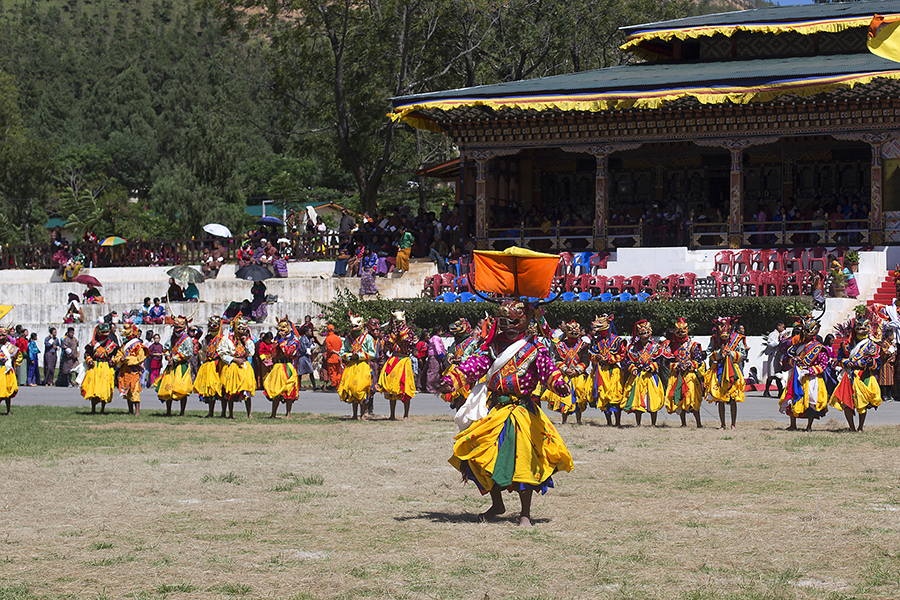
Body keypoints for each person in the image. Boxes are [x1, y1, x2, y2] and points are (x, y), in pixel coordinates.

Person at [438, 300, 574, 527]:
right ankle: (497, 504)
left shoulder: (534, 348)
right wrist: (451, 380)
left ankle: (525, 514)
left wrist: (558, 384)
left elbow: (547, 370)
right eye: (502, 321)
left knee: (524, 460)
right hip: (496, 409)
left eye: (511, 321)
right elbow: (474, 365)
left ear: (523, 321)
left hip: (522, 411)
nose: (506, 325)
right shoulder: (492, 346)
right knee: (479, 453)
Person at [830, 307, 882, 432]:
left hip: (863, 375)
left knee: (862, 401)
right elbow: (840, 358)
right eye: (858, 328)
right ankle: (851, 427)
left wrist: (870, 362)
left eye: (863, 328)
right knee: (847, 402)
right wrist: (846, 363)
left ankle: (860, 427)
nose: (861, 331)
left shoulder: (871, 345)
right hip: (848, 376)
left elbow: (877, 363)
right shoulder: (846, 345)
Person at [779, 315, 829, 431]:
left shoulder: (819, 348)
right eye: (804, 329)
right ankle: (793, 424)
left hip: (811, 378)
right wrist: (794, 361)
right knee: (792, 397)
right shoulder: (797, 346)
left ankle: (809, 426)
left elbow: (823, 364)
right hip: (797, 375)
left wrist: (809, 370)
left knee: (811, 400)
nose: (806, 332)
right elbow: (788, 359)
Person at [542, 320, 591, 425]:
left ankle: (578, 420)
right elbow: (556, 360)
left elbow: (586, 360)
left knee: (579, 398)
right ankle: (564, 420)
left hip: (578, 376)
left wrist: (577, 370)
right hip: (565, 375)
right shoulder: (560, 345)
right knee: (564, 397)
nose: (573, 337)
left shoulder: (583, 346)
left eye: (575, 334)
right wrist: (565, 369)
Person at [662, 318, 705, 428]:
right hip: (677, 375)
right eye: (678, 332)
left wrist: (690, 365)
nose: (680, 334)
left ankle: (698, 423)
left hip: (690, 376)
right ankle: (683, 423)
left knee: (692, 398)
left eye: (682, 331)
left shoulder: (694, 345)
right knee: (680, 398)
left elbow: (699, 361)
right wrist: (678, 366)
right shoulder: (671, 346)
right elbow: (667, 362)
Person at [621, 320, 665, 427]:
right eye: (641, 333)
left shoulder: (656, 347)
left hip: (651, 376)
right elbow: (628, 361)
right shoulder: (633, 347)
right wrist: (633, 369)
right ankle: (638, 423)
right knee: (637, 399)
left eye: (646, 333)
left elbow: (660, 361)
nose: (644, 336)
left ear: (650, 332)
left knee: (652, 399)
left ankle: (653, 423)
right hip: (638, 376)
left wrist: (652, 367)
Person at [705, 316, 746, 430]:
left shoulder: (737, 338)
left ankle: (733, 424)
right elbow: (709, 353)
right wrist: (720, 353)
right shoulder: (714, 339)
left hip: (733, 369)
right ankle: (722, 424)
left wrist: (731, 353)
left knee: (733, 398)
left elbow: (742, 354)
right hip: (719, 368)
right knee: (720, 398)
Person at [587, 314, 627, 427]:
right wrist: (597, 358)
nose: (596, 327)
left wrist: (609, 359)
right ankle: (609, 422)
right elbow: (591, 356)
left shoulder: (617, 340)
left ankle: (618, 422)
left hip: (613, 371)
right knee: (603, 395)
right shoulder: (595, 342)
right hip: (600, 371)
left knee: (615, 395)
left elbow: (622, 355)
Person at [378, 310, 417, 421]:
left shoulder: (409, 332)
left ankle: (405, 415)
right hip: (394, 359)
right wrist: (394, 333)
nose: (398, 324)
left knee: (405, 388)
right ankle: (392, 414)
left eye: (400, 321)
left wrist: (401, 332)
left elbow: (407, 343)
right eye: (396, 322)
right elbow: (388, 345)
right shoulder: (392, 333)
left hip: (404, 360)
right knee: (392, 388)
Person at [155, 313, 195, 417]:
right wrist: (168, 357)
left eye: (179, 327)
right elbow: (166, 347)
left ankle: (182, 412)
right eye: (175, 327)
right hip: (171, 365)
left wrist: (175, 358)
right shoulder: (171, 338)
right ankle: (168, 411)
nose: (176, 329)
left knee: (181, 389)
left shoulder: (187, 339)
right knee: (168, 388)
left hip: (181, 366)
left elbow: (188, 353)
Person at [338, 313, 375, 420]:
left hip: (362, 366)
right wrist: (350, 356)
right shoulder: (348, 338)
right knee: (352, 389)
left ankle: (362, 414)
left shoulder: (367, 338)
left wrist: (359, 356)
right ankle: (354, 414)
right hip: (351, 366)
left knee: (361, 389)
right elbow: (342, 352)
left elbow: (372, 353)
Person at [218, 316, 256, 419]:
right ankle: (229, 413)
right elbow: (222, 354)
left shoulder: (247, 341)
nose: (242, 331)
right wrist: (234, 360)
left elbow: (251, 353)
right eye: (240, 328)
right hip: (232, 366)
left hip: (244, 366)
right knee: (230, 390)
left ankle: (249, 413)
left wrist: (246, 342)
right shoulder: (227, 340)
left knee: (246, 390)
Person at [440, 319, 480, 410]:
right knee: (457, 396)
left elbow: (476, 356)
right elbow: (450, 351)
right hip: (456, 370)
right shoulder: (456, 342)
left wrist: (463, 359)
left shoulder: (473, 342)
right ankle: (459, 413)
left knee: (467, 395)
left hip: (467, 370)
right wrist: (450, 356)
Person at [265, 316, 301, 419]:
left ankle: (288, 414)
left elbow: (289, 353)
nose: (281, 331)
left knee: (288, 390)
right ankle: (273, 413)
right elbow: (273, 353)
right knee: (276, 389)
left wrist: (281, 341)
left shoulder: (294, 341)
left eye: (283, 328)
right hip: (278, 367)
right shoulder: (277, 340)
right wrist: (277, 341)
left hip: (287, 366)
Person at [81, 323, 118, 414]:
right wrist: (89, 360)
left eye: (107, 331)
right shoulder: (93, 344)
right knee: (94, 388)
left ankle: (102, 409)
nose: (105, 333)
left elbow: (115, 355)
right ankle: (93, 409)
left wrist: (113, 360)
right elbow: (87, 354)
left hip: (106, 367)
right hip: (95, 367)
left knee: (104, 388)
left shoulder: (111, 344)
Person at [114, 323, 148, 416]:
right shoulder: (124, 345)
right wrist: (121, 359)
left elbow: (140, 358)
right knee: (127, 391)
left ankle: (137, 411)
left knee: (134, 390)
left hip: (133, 371)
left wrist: (128, 359)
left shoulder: (138, 345)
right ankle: (130, 410)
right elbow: (118, 355)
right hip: (124, 371)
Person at [194, 316, 225, 418]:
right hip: (209, 365)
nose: (212, 327)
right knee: (210, 390)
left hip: (219, 364)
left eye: (214, 325)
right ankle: (211, 412)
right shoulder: (206, 339)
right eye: (210, 325)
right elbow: (203, 351)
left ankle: (224, 413)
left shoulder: (223, 338)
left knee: (222, 389)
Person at [0, 326, 22, 415]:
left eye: (2, 335)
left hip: (7, 370)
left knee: (8, 391)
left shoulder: (10, 347)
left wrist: (14, 366)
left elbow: (18, 356)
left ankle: (8, 410)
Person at [763, 321, 786, 397]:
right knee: (771, 375)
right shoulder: (773, 334)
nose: (783, 328)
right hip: (773, 357)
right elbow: (770, 344)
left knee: (778, 374)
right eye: (782, 327)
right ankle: (766, 391)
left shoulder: (782, 334)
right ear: (778, 327)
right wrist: (778, 340)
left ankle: (780, 392)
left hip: (778, 357)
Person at [366, 318, 383, 417]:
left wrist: (381, 367)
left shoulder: (378, 341)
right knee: (366, 387)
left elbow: (381, 355)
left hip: (375, 366)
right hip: (367, 365)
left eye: (378, 325)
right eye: (374, 325)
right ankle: (364, 410)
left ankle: (370, 410)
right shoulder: (365, 339)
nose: (377, 327)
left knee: (373, 389)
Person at [297, 325, 319, 390]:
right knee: (300, 372)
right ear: (306, 332)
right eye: (310, 331)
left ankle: (314, 385)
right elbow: (303, 348)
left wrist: (312, 343)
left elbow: (310, 346)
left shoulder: (309, 339)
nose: (311, 332)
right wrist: (307, 350)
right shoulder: (302, 339)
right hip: (302, 357)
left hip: (307, 357)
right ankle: (299, 386)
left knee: (311, 370)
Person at [426, 325, 446, 393]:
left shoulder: (436, 337)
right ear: (437, 331)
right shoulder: (435, 337)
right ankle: (430, 387)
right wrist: (441, 355)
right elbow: (437, 346)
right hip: (434, 355)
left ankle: (435, 387)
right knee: (433, 372)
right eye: (440, 331)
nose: (441, 332)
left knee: (437, 371)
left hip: (435, 355)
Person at [323, 324, 343, 391]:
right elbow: (341, 347)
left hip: (331, 358)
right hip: (338, 358)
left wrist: (335, 352)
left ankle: (334, 385)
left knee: (332, 372)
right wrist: (338, 352)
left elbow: (329, 349)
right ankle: (338, 384)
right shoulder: (338, 338)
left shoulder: (328, 338)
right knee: (338, 372)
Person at [879, 329, 896, 402]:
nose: (893, 337)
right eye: (892, 336)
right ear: (889, 336)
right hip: (885, 364)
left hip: (890, 365)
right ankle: (885, 395)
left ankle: (889, 395)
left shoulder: (890, 343)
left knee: (890, 381)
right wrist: (892, 348)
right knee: (885, 380)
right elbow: (885, 353)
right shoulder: (884, 344)